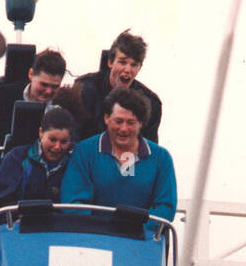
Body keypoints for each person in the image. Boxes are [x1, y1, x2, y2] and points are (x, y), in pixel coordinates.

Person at [60, 87, 176, 220]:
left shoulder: (161, 158)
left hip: (141, 237)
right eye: (118, 121)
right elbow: (73, 203)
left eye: (131, 123)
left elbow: (166, 208)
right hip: (93, 235)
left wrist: (135, 230)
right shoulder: (84, 151)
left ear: (141, 123)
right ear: (106, 118)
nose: (124, 129)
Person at [0, 48, 66, 157]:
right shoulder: (0, 96)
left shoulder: (64, 106)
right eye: (44, 85)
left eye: (55, 87)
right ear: (31, 74)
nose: (48, 91)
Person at [76, 31, 162, 142]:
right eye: (122, 62)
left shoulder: (151, 103)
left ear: (140, 67)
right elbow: (73, 136)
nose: (127, 70)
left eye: (134, 65)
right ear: (110, 62)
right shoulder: (85, 88)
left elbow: (150, 149)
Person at [0, 105, 76, 207]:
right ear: (41, 133)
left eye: (63, 142)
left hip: (60, 220)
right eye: (52, 140)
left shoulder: (75, 163)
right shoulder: (16, 158)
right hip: (19, 220)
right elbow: (2, 201)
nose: (57, 147)